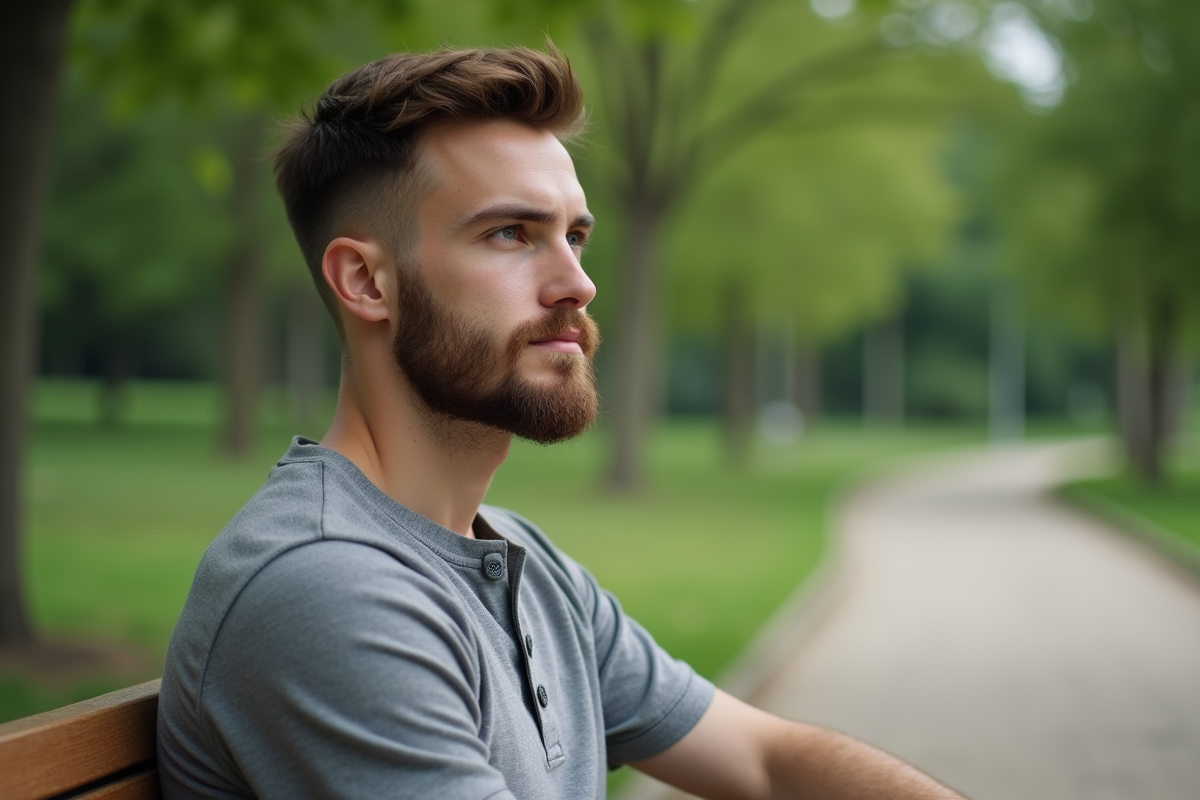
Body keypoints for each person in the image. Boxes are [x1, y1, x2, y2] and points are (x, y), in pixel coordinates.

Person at [157, 45, 966, 800]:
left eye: (574, 237)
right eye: (511, 234)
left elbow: (765, 758)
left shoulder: (518, 561)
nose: (576, 283)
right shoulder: (328, 587)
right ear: (366, 281)